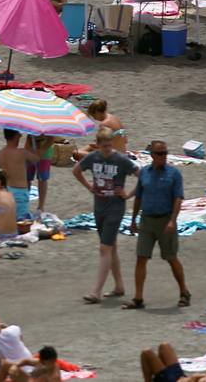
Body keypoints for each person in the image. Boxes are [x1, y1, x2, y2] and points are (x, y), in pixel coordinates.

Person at [74, 128, 137, 304]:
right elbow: (76, 171)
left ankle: (96, 291)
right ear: (98, 144)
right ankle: (119, 286)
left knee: (104, 248)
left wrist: (128, 194)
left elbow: (143, 176)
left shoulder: (120, 160)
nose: (107, 150)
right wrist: (88, 186)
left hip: (115, 207)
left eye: (109, 146)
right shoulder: (93, 157)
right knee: (111, 247)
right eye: (104, 147)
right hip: (99, 206)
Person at [126, 140, 190, 310]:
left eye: (165, 153)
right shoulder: (144, 173)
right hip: (147, 219)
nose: (163, 156)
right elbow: (138, 197)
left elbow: (178, 198)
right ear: (152, 155)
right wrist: (133, 220)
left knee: (171, 257)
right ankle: (138, 298)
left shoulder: (174, 174)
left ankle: (184, 292)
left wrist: (172, 220)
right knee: (141, 257)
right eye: (160, 153)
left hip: (165, 219)